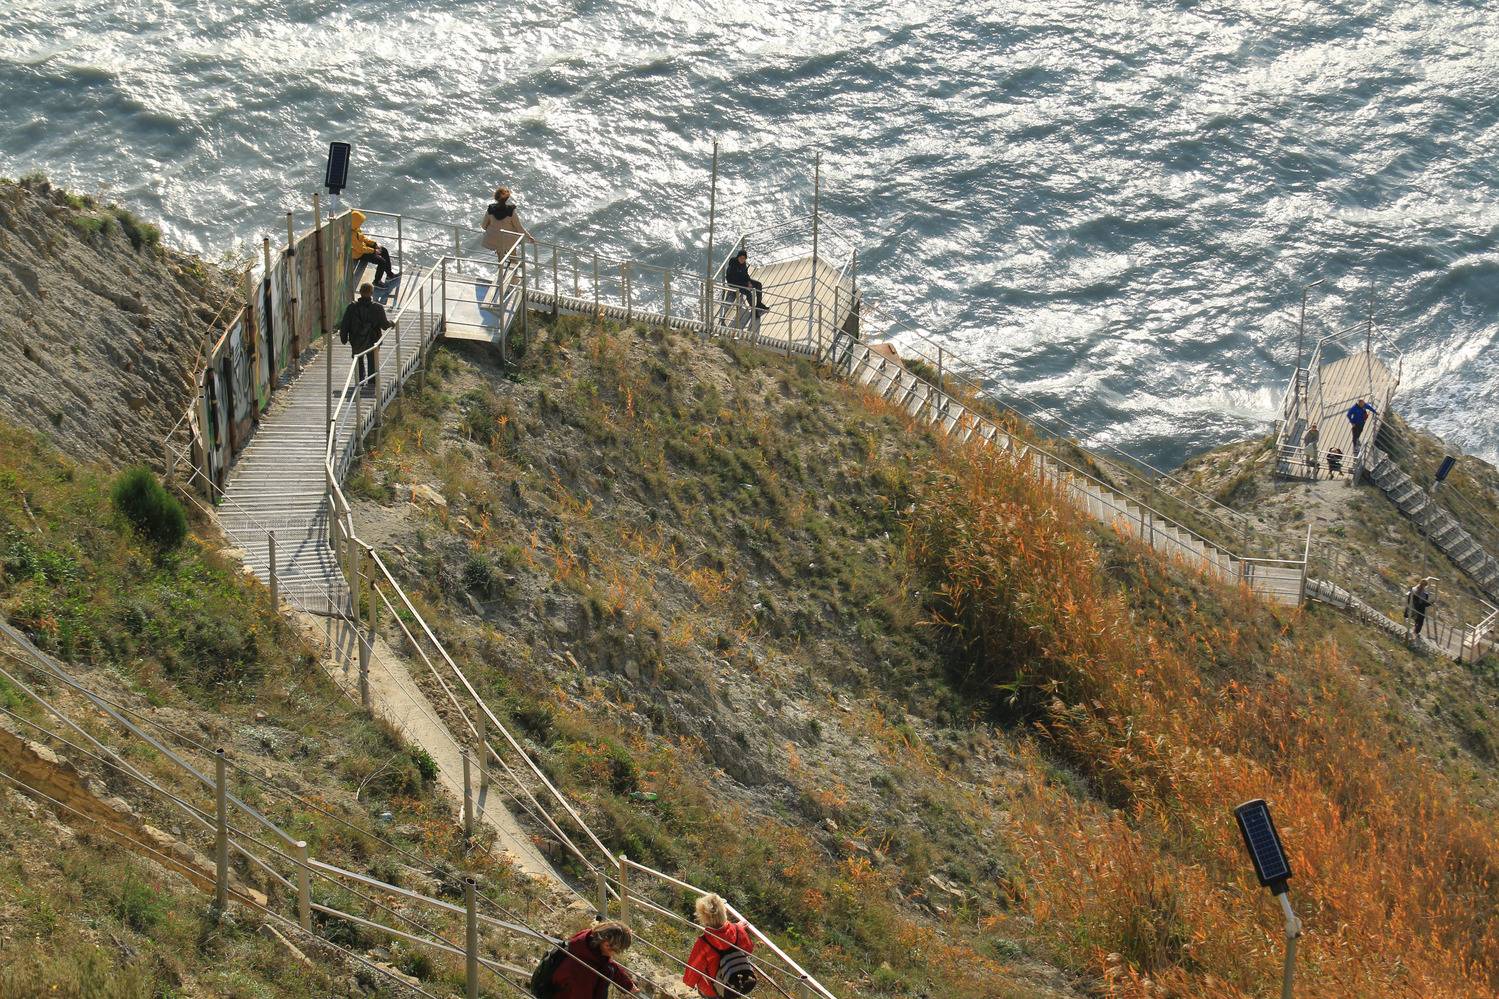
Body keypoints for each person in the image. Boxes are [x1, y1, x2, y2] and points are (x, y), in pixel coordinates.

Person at [683, 893, 755, 998]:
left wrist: (688, 982)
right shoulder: (738, 930)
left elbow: (693, 968)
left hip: (713, 989)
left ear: (703, 917)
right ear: (724, 912)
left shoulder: (703, 943)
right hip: (737, 980)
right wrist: (739, 927)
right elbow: (749, 949)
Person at [546, 921, 637, 999]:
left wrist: (627, 985)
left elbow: (607, 963)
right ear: (607, 945)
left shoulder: (590, 944)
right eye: (617, 950)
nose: (616, 953)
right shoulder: (582, 970)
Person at [338, 283, 394, 387]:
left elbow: (345, 324)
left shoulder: (352, 307)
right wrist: (391, 323)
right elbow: (384, 325)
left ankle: (360, 381)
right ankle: (372, 382)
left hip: (356, 339)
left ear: (360, 292)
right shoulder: (378, 307)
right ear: (372, 293)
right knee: (372, 360)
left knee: (358, 360)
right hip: (373, 339)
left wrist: (343, 338)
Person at [481, 186, 537, 268]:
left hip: (494, 239)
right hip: (509, 239)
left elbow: (483, 226)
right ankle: (514, 266)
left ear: (496, 197)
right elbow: (519, 227)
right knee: (512, 249)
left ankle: (501, 268)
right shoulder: (511, 211)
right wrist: (529, 237)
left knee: (500, 252)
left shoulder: (490, 210)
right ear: (507, 198)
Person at [350, 210, 398, 286]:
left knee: (383, 250)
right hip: (358, 254)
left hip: (363, 248)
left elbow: (363, 238)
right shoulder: (351, 234)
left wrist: (374, 244)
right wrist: (374, 251)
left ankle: (389, 274)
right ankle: (377, 282)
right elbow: (360, 249)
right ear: (355, 222)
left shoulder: (356, 228)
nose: (361, 223)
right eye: (360, 222)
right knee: (381, 261)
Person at [724, 248, 767, 315]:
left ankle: (759, 303)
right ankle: (754, 310)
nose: (742, 259)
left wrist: (749, 282)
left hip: (742, 280)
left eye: (744, 258)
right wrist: (746, 285)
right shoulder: (733, 264)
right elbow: (734, 280)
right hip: (733, 283)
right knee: (748, 292)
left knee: (758, 284)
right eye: (741, 258)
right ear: (738, 257)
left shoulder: (743, 263)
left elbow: (745, 274)